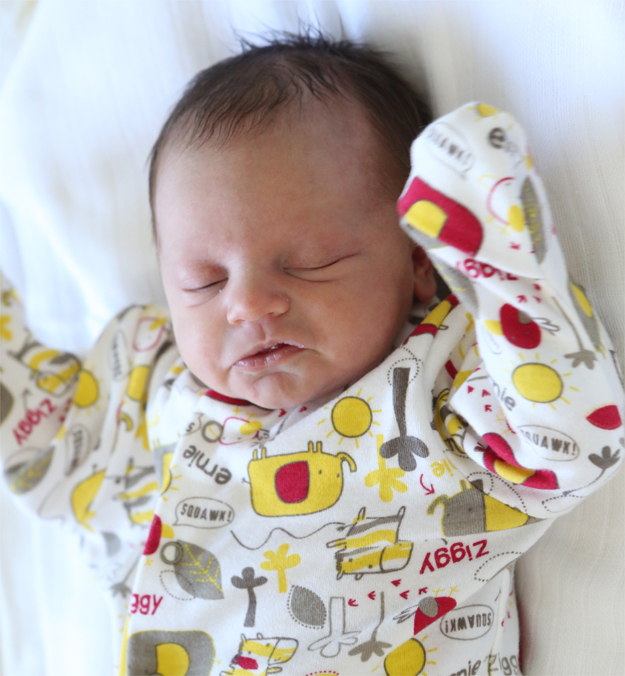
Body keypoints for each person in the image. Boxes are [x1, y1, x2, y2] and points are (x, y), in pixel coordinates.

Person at [0, 32, 622, 675]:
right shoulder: (146, 391)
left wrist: (498, 265)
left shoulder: (434, 390)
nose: (248, 304)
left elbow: (572, 441)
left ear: (417, 262)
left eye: (309, 263)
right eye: (204, 281)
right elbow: (47, 443)